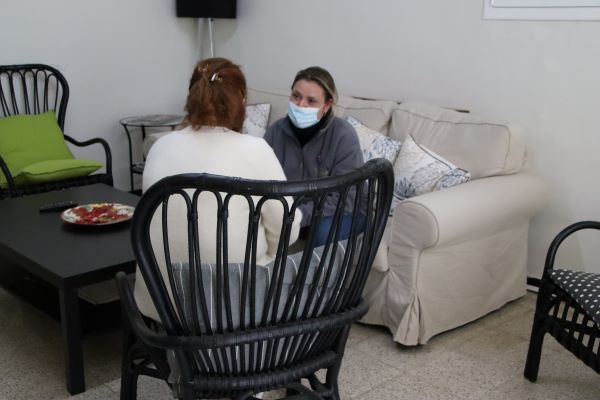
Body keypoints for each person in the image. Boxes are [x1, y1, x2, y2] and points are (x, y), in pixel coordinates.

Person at [134, 58, 301, 322]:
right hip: (226, 309)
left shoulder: (160, 146)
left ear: (191, 95)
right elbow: (287, 230)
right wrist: (266, 256)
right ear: (242, 101)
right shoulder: (255, 150)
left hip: (159, 302)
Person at [264, 66, 364, 245]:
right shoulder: (276, 131)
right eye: (296, 96)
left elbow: (346, 198)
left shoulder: (344, 135)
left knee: (322, 232)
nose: (301, 104)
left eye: (311, 100)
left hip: (343, 212)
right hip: (293, 213)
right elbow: (262, 182)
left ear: (326, 105)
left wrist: (297, 216)